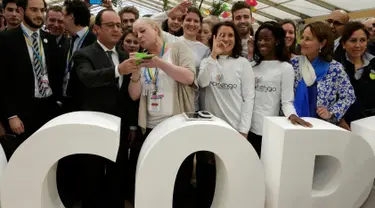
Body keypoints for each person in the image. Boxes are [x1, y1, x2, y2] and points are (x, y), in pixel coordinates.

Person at [71, 9, 138, 208]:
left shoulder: (125, 55)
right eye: (110, 25)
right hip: (94, 125)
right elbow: (87, 78)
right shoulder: (84, 54)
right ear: (97, 29)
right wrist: (118, 70)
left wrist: (132, 126)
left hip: (121, 126)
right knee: (92, 174)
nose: (117, 29)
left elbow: (130, 96)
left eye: (119, 25)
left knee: (118, 174)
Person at [131, 18, 196, 208]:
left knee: (179, 177)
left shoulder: (178, 49)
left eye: (142, 31)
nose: (139, 37)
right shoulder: (141, 56)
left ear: (155, 28)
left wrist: (159, 63)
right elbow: (135, 95)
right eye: (136, 34)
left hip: (176, 124)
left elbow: (189, 77)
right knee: (155, 177)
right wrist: (135, 73)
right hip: (151, 126)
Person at [198, 21, 255, 207]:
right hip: (209, 129)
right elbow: (202, 83)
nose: (226, 39)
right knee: (207, 175)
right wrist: (214, 55)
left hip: (234, 129)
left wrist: (243, 130)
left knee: (229, 175)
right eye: (221, 35)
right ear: (214, 37)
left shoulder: (243, 63)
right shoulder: (207, 61)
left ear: (236, 39)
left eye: (230, 35)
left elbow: (249, 98)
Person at [0, 0, 63, 157]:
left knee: (47, 157)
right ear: (21, 11)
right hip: (22, 113)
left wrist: (58, 102)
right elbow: (2, 82)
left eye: (42, 10)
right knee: (24, 159)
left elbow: (56, 74)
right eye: (34, 10)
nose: (39, 15)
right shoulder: (6, 39)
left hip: (48, 109)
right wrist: (11, 115)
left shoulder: (49, 39)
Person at [250, 21, 310, 156]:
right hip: (248, 128)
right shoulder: (251, 66)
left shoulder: (285, 68)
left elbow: (287, 101)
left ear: (277, 41)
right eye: (259, 39)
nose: (262, 43)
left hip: (268, 129)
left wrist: (292, 115)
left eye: (266, 39)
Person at [292, 22, 355, 126]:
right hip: (294, 123)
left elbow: (349, 96)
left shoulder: (334, 69)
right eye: (302, 38)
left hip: (322, 126)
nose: (302, 42)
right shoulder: (294, 64)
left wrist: (332, 113)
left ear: (322, 43)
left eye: (308, 39)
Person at [336, 22, 375, 129]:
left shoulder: (373, 63)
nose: (358, 45)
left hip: (370, 124)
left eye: (362, 40)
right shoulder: (335, 67)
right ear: (344, 44)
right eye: (353, 40)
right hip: (344, 124)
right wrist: (339, 118)